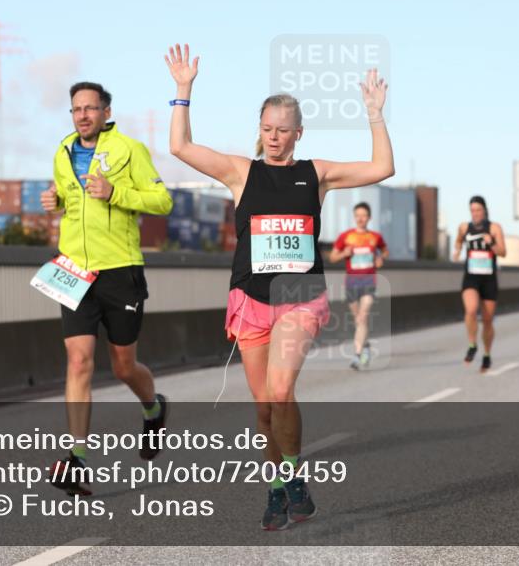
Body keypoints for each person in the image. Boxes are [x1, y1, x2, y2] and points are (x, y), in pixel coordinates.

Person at [165, 44, 394, 531]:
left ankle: (289, 479)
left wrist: (374, 115)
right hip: (249, 298)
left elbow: (381, 169)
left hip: (298, 295)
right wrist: (183, 92)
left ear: (298, 133)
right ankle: (281, 489)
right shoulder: (240, 172)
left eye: (282, 131)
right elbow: (181, 149)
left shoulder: (317, 174)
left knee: (281, 386)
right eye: (266, 129)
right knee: (265, 407)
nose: (273, 138)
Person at [40, 81, 173, 496]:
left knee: (122, 367)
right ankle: (77, 457)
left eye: (90, 108)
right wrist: (54, 200)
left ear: (106, 111)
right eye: (76, 109)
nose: (82, 115)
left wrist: (116, 192)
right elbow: (68, 197)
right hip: (74, 271)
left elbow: (162, 201)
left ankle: (153, 408)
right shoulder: (63, 151)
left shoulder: (129, 150)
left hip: (120, 271)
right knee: (78, 362)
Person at [329, 202, 388, 370]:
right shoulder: (346, 236)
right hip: (351, 283)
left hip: (369, 281)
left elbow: (384, 251)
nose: (361, 218)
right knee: (359, 320)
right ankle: (366, 345)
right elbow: (332, 257)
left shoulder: (375, 237)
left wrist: (380, 258)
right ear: (354, 217)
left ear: (369, 217)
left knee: (363, 316)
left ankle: (356, 355)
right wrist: (344, 253)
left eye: (364, 215)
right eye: (358, 215)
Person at [452, 196, 507, 372]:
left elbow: (503, 252)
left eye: (478, 210)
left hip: (489, 279)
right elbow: (459, 239)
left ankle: (487, 355)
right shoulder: (463, 227)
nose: (475, 213)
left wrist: (491, 242)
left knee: (488, 321)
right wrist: (457, 250)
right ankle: (472, 344)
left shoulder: (494, 228)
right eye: (472, 210)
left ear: (485, 210)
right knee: (470, 309)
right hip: (471, 277)